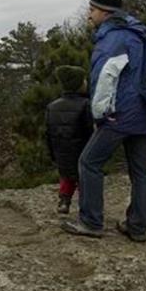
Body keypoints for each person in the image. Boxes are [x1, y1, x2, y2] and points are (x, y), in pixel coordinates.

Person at [61, 0, 146, 242]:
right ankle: (137, 227)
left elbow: (104, 80)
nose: (89, 15)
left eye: (92, 10)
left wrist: (99, 116)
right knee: (140, 171)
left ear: (105, 12)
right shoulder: (138, 33)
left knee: (88, 162)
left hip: (120, 115)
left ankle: (91, 222)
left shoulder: (113, 38)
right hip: (144, 112)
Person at [45, 65, 93, 214]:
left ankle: (64, 201)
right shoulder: (86, 105)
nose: (86, 82)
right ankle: (86, 206)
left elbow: (48, 133)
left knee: (66, 176)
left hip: (61, 151)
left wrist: (53, 153)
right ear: (78, 85)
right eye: (84, 80)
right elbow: (90, 130)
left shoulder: (52, 106)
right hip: (82, 149)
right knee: (84, 180)